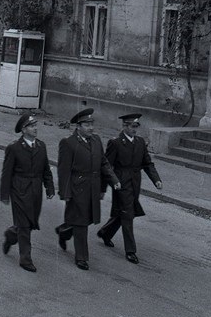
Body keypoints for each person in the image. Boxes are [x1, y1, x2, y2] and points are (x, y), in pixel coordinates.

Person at [55, 108, 120, 270]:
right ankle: (81, 258)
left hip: (93, 188)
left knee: (87, 219)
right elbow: (63, 171)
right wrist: (65, 193)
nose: (91, 128)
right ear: (78, 126)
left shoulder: (96, 140)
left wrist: (114, 180)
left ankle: (64, 231)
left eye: (92, 124)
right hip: (77, 189)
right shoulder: (68, 143)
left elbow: (104, 163)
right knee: (82, 223)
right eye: (86, 124)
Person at [98, 112, 163, 264]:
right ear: (124, 126)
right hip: (120, 184)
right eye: (132, 126)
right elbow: (107, 166)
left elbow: (147, 163)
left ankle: (105, 233)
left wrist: (156, 180)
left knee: (125, 212)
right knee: (128, 214)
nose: (135, 129)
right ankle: (130, 250)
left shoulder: (140, 142)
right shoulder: (116, 143)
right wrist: (104, 187)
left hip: (135, 183)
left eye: (137, 126)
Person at [0, 113, 55, 272]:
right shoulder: (14, 148)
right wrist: (5, 194)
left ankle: (11, 235)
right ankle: (25, 259)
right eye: (31, 126)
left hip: (35, 190)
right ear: (24, 130)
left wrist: (49, 188)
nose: (35, 128)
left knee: (29, 223)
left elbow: (46, 170)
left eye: (36, 125)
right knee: (24, 225)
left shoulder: (41, 146)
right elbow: (7, 173)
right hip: (19, 190)